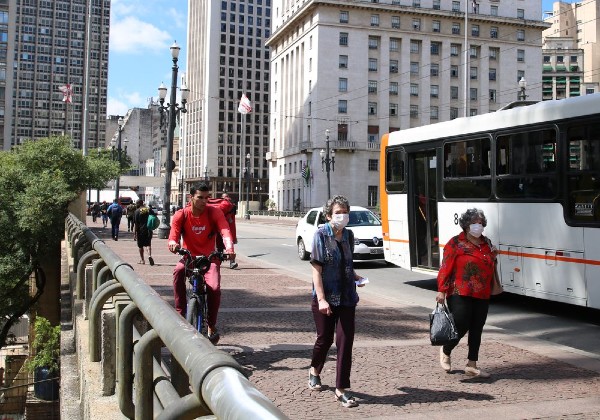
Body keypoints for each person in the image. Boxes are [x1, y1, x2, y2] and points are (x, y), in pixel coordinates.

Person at [308, 195, 366, 408]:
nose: (342, 216)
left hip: (347, 298)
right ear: (328, 215)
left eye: (345, 212)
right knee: (324, 340)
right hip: (326, 298)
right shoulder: (321, 235)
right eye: (338, 213)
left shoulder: (349, 236)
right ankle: (314, 370)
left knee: (345, 342)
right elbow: (317, 270)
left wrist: (356, 277)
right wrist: (321, 299)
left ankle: (341, 389)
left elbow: (345, 264)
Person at [168, 183, 236, 345]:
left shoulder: (214, 212)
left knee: (214, 288)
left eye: (207, 198)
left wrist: (229, 248)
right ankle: (180, 313)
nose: (204, 201)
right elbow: (173, 234)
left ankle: (211, 325)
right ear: (190, 197)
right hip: (189, 258)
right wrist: (172, 243)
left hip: (210, 258)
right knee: (178, 272)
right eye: (200, 197)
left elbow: (225, 230)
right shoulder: (181, 214)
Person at [436, 208, 497, 379]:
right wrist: (441, 290)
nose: (478, 226)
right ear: (466, 225)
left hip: (482, 292)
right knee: (461, 323)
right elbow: (445, 267)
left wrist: (494, 256)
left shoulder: (487, 243)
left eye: (480, 222)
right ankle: (446, 349)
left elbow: (491, 262)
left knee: (477, 327)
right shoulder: (455, 243)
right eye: (474, 223)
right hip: (459, 290)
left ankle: (472, 364)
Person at [133, 199, 154, 265]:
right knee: (148, 244)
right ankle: (149, 255)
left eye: (136, 203)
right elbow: (154, 217)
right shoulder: (148, 209)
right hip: (149, 229)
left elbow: (136, 224)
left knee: (140, 246)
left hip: (140, 230)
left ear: (138, 204)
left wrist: (135, 233)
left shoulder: (137, 211)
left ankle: (142, 260)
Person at [221, 193, 238, 269]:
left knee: (229, 246)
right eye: (225, 197)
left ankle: (232, 262)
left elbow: (232, 221)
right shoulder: (231, 206)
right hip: (224, 229)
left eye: (227, 197)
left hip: (225, 229)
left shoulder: (231, 206)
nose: (226, 199)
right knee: (229, 245)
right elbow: (232, 222)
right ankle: (231, 262)